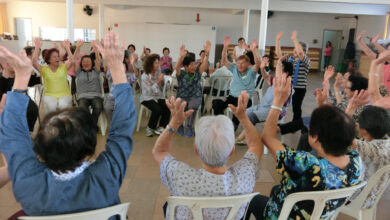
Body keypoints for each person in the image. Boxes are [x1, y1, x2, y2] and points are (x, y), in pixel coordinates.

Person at [0, 31, 136, 217]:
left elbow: (12, 137)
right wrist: (117, 68)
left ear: (41, 151)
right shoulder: (107, 175)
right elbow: (123, 127)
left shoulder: (28, 182)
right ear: (90, 150)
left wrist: (21, 77)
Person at [245, 74, 362, 220]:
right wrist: (324, 106)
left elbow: (267, 138)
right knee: (276, 189)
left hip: (284, 216)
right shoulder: (355, 162)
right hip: (320, 215)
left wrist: (278, 101)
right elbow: (342, 133)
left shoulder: (306, 164)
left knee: (251, 200)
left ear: (316, 138)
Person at [152, 90, 263, 220]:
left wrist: (174, 123)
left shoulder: (179, 175)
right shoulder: (246, 174)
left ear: (196, 150)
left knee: (168, 204)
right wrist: (243, 118)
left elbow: (159, 151)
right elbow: (256, 145)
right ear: (232, 151)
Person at [236, 55, 294, 145]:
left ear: (285, 73)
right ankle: (248, 134)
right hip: (262, 107)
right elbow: (266, 77)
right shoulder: (277, 80)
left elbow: (280, 104)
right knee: (244, 113)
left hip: (274, 111)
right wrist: (262, 69)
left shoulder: (287, 85)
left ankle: (242, 138)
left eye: (280, 69)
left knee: (252, 116)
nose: (277, 72)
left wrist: (278, 61)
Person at [212, 36, 260, 131]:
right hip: (232, 97)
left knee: (238, 110)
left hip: (244, 100)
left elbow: (258, 63)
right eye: (238, 63)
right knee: (216, 104)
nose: (240, 65)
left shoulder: (251, 71)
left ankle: (233, 126)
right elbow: (224, 60)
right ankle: (224, 122)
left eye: (243, 63)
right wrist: (225, 47)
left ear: (247, 64)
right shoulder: (234, 69)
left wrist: (254, 50)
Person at [276, 31, 311, 135]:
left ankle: (295, 125)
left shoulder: (306, 61)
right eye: (295, 47)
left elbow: (300, 54)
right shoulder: (290, 59)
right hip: (288, 87)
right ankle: (278, 121)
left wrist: (295, 39)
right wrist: (278, 40)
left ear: (304, 51)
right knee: (281, 105)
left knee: (296, 108)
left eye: (299, 48)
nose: (296, 50)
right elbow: (279, 55)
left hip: (299, 88)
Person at [174, 41, 210, 137]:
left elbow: (204, 65)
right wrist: (181, 57)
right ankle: (180, 125)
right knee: (181, 105)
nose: (193, 66)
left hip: (195, 95)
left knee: (192, 105)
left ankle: (190, 126)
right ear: (185, 67)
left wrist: (207, 54)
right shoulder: (181, 74)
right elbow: (176, 67)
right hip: (182, 96)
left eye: (194, 64)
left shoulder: (197, 72)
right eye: (191, 65)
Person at [32, 38, 74, 113]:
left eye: (58, 56)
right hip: (49, 94)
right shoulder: (44, 69)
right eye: (54, 57)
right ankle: (51, 123)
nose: (57, 58)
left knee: (63, 105)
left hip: (65, 94)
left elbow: (72, 61)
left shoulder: (63, 67)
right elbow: (34, 62)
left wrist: (67, 48)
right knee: (52, 106)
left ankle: (62, 123)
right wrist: (37, 48)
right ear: (49, 59)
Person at [0, 60, 38, 132]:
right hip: (7, 101)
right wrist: (5, 78)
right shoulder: (2, 78)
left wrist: (32, 74)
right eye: (9, 64)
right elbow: (3, 92)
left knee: (32, 108)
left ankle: (28, 130)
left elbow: (33, 83)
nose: (13, 66)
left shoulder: (19, 76)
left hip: (22, 98)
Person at [74, 40, 104, 127]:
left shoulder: (96, 70)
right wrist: (77, 47)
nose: (86, 63)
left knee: (98, 107)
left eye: (88, 61)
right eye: (84, 61)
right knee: (83, 109)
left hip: (96, 95)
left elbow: (98, 59)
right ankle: (92, 125)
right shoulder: (79, 72)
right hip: (82, 96)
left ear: (92, 63)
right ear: (81, 63)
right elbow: (75, 59)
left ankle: (91, 125)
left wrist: (95, 47)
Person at [140, 54, 171, 137]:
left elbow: (162, 86)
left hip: (158, 95)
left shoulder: (158, 72)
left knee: (167, 106)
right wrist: (158, 81)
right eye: (156, 63)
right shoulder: (145, 76)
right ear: (150, 64)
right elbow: (149, 90)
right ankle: (150, 128)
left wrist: (162, 81)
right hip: (147, 97)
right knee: (157, 109)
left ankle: (161, 127)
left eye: (158, 63)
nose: (158, 65)